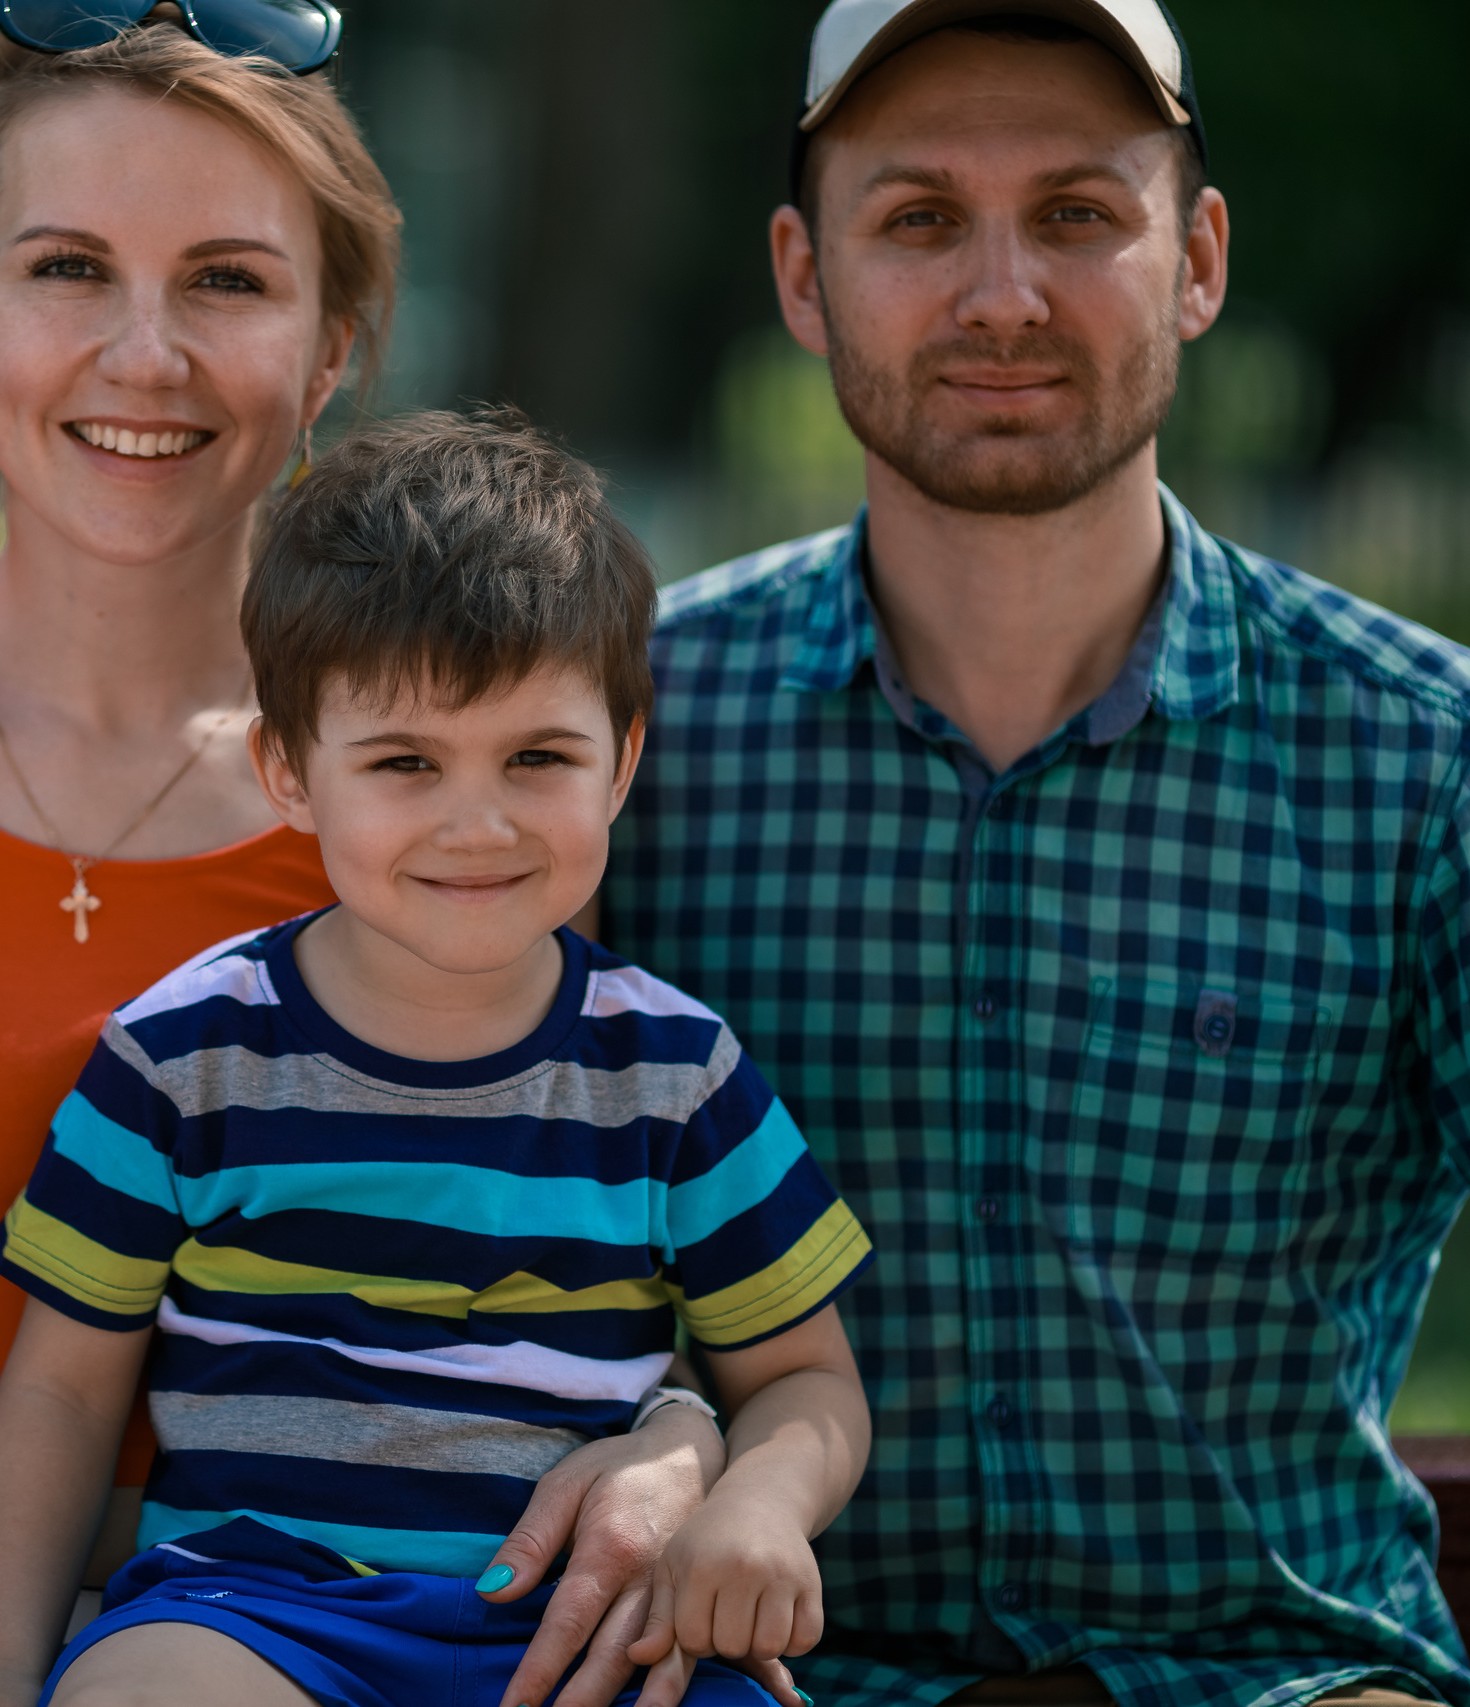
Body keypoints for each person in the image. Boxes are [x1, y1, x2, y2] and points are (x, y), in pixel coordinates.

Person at [0, 10, 731, 1700]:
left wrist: (681, 1432)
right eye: (68, 268)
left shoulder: (436, 784)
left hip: (374, 1638)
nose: (143, 354)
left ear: (333, 344)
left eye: (226, 280)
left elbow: (617, 1182)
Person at [601, 5, 1470, 1705]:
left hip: (1281, 1682)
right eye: (919, 219)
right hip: (770, 1687)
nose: (1004, 297)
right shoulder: (629, 748)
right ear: (803, 274)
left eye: (1079, 213)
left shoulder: (1422, 756)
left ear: (1198, 257)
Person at [0, 412, 874, 1707]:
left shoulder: (677, 1073)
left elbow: (804, 1380)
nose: (478, 821)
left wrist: (758, 1501)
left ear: (625, 757)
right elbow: (58, 1390)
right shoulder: (182, 1057)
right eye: (404, 761)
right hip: (258, 1613)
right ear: (289, 769)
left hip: (587, 1626)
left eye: (539, 756)